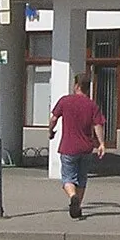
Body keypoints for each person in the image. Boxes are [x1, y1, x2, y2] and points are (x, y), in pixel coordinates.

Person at [47, 73, 108, 220]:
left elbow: (54, 118)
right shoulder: (92, 105)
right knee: (82, 178)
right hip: (86, 148)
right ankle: (77, 207)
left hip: (68, 147)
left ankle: (73, 196)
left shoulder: (65, 101)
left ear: (77, 86)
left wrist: (50, 131)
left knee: (68, 178)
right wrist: (101, 143)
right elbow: (97, 125)